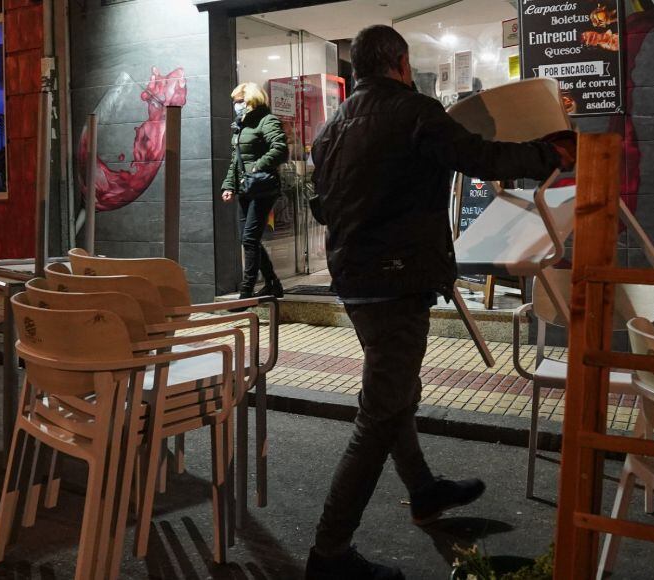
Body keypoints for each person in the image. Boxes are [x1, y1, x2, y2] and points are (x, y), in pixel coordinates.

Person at [305, 26, 577, 580]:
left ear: (359, 68)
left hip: (354, 280)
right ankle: (329, 554)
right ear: (401, 62)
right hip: (397, 281)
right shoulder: (413, 111)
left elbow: (323, 206)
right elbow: (477, 156)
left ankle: (424, 491)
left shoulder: (330, 130)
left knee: (395, 393)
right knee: (379, 414)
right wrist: (548, 153)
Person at [221, 82, 289, 300]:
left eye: (239, 101)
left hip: (262, 187)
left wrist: (257, 166)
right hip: (246, 188)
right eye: (235, 102)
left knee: (249, 239)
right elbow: (236, 160)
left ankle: (247, 291)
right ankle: (272, 284)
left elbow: (280, 149)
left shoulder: (267, 121)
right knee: (249, 239)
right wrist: (229, 185)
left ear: (251, 100)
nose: (236, 105)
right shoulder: (240, 125)